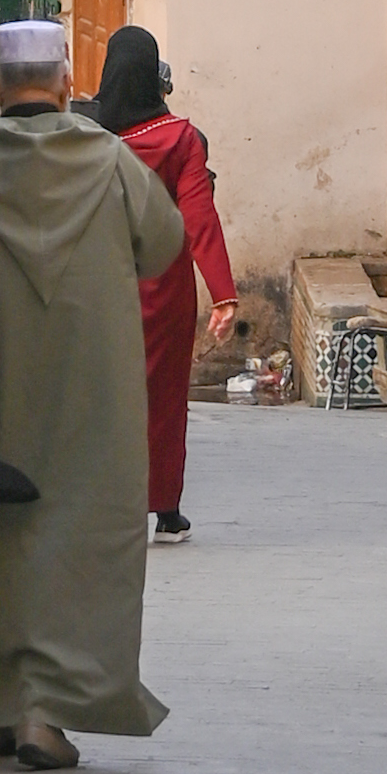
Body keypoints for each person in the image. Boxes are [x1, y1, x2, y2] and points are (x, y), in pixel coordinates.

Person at [0, 14, 185, 771]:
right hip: (95, 401)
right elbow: (163, 244)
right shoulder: (111, 163)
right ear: (65, 85)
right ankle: (43, 711)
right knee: (80, 546)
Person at [88, 27, 236, 543]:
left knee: (104, 396)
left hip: (100, 287)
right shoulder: (182, 140)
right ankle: (166, 510)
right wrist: (223, 294)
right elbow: (199, 217)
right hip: (167, 288)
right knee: (165, 400)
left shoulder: (89, 138)